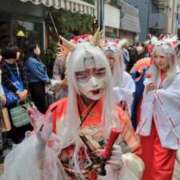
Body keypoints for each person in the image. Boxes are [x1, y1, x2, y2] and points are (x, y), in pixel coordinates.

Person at [2, 41, 144, 180]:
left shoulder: (118, 115)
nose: (94, 83)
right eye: (83, 75)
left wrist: (122, 163)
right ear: (71, 77)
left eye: (100, 73)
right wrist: (40, 145)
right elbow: (41, 168)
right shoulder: (57, 111)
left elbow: (137, 158)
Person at [136, 42, 180, 180]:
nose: (158, 61)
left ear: (170, 58)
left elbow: (177, 96)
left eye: (162, 57)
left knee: (161, 165)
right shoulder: (151, 73)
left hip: (167, 126)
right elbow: (143, 97)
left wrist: (158, 93)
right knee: (147, 161)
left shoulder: (178, 76)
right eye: (155, 57)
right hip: (149, 125)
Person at [1, 46, 31, 143]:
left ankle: (26, 135)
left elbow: (25, 77)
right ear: (11, 54)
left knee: (25, 115)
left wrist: (26, 90)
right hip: (12, 97)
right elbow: (6, 81)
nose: (19, 53)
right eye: (16, 51)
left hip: (23, 94)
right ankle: (16, 139)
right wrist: (18, 92)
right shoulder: (3, 66)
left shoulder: (19, 64)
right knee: (14, 116)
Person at [103, 41, 135, 115]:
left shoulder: (126, 77)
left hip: (119, 113)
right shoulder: (99, 75)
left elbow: (130, 95)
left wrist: (115, 91)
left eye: (111, 58)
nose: (108, 61)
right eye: (105, 58)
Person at [25, 43, 50, 113]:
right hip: (35, 84)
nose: (39, 49)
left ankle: (42, 118)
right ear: (34, 50)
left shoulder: (36, 59)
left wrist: (46, 79)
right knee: (39, 103)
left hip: (40, 83)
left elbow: (43, 70)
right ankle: (40, 120)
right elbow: (37, 73)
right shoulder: (30, 60)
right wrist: (47, 80)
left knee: (42, 102)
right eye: (38, 48)